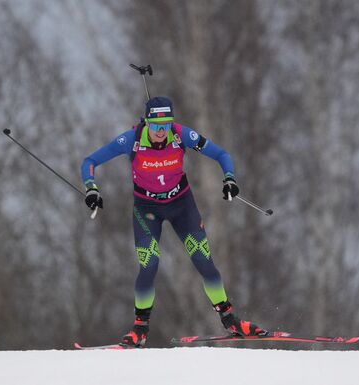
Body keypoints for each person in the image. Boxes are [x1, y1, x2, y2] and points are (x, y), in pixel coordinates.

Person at [81, 96, 264, 347]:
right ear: (146, 123)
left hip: (181, 206)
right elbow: (89, 161)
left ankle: (230, 320)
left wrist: (229, 178)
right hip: (147, 209)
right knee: (149, 265)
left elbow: (221, 154)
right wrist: (91, 189)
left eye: (166, 125)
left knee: (204, 261)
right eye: (156, 126)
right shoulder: (131, 140)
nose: (161, 132)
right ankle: (140, 328)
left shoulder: (181, 135)